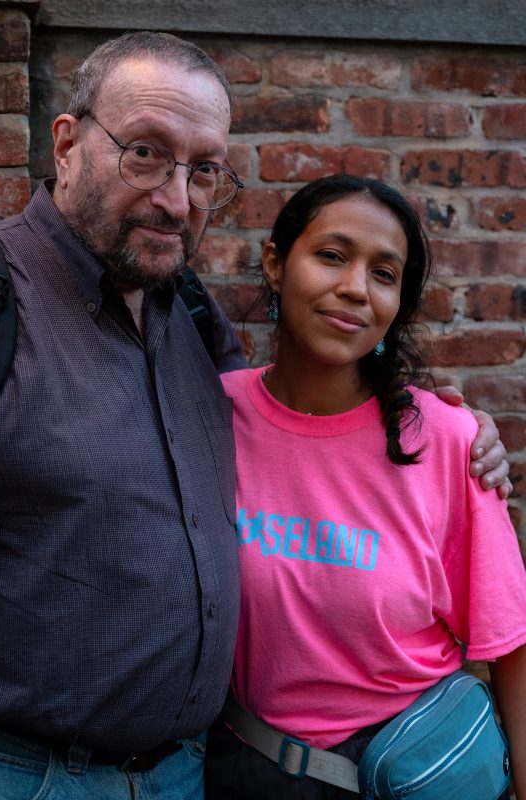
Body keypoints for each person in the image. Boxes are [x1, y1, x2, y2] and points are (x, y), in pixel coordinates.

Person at [0, 31, 511, 800]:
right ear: (66, 144)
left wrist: (455, 432)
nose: (177, 199)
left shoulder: (189, 320)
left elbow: (295, 429)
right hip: (6, 777)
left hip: (185, 776)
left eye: (203, 171)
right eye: (145, 153)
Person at [204, 174, 526, 800]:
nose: (354, 289)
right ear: (276, 262)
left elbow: (511, 645)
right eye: (331, 256)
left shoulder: (449, 442)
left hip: (404, 773)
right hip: (240, 771)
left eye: (384, 274)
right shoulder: (211, 415)